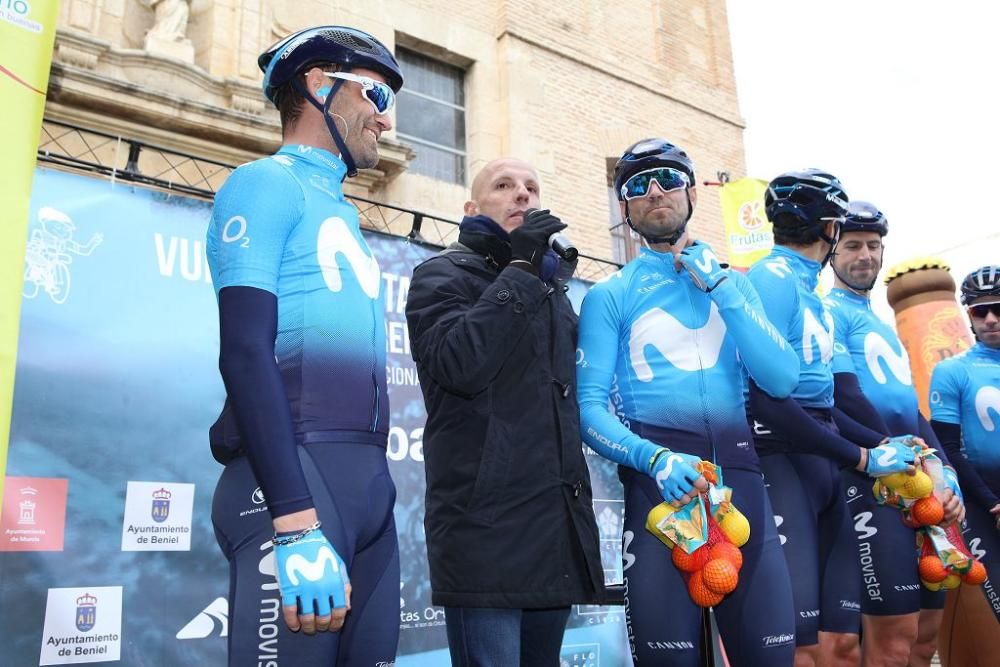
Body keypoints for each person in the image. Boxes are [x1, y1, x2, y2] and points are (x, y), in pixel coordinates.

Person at [205, 26, 404, 666]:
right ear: (320, 85)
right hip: (293, 488)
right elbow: (242, 352)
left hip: (367, 488)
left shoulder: (336, 205)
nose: (386, 117)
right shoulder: (265, 182)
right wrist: (293, 518)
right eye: (375, 92)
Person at [577, 138, 800, 666]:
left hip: (743, 490)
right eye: (637, 185)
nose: (655, 192)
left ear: (692, 191)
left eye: (668, 179)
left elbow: (782, 379)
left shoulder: (732, 283)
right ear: (624, 207)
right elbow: (588, 409)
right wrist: (653, 459)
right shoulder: (611, 294)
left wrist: (721, 287)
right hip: (661, 495)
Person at [404, 157, 607, 666]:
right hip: (485, 534)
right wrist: (519, 267)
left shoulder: (552, 290)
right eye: (504, 185)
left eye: (531, 187)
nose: (522, 195)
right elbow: (459, 364)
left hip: (552, 532)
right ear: (472, 208)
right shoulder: (439, 273)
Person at [745, 170, 920, 667]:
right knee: (798, 648)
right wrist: (863, 455)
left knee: (840, 644)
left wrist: (894, 450)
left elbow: (835, 403)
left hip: (825, 467)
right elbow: (765, 401)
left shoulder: (812, 294)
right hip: (782, 463)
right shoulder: (772, 277)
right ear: (830, 228)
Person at [825, 201, 964, 667]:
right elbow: (843, 399)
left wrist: (943, 470)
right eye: (852, 246)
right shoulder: (829, 313)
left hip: (919, 478)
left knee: (927, 638)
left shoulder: (880, 323)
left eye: (873, 246)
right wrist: (905, 458)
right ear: (830, 250)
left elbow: (910, 408)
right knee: (892, 639)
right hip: (873, 482)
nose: (865, 255)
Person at [930, 265, 1000, 625]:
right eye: (979, 310)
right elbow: (946, 449)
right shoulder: (952, 371)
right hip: (983, 501)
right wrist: (992, 503)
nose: (990, 319)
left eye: (998, 308)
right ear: (968, 315)